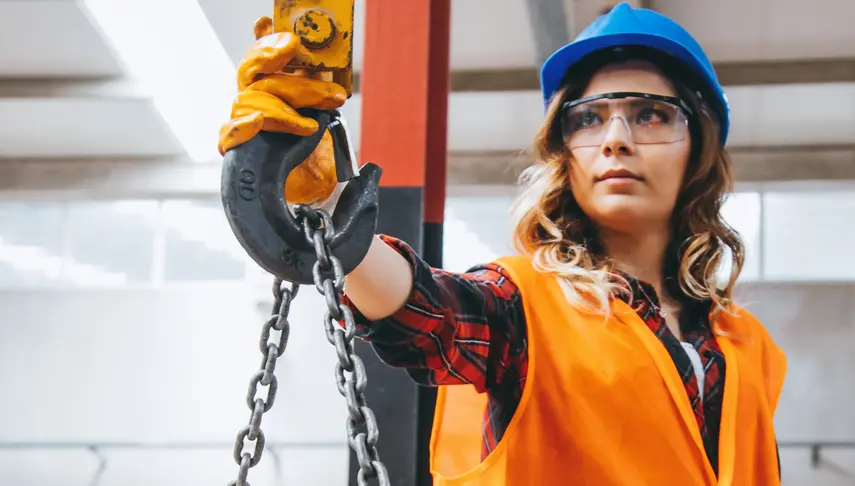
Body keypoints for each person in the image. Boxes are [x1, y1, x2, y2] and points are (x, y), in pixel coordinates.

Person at [220, 3, 786, 485]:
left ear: (698, 147)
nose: (616, 139)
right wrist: (328, 208)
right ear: (564, 152)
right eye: (589, 119)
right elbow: (427, 309)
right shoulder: (521, 308)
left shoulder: (750, 348)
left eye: (651, 115)